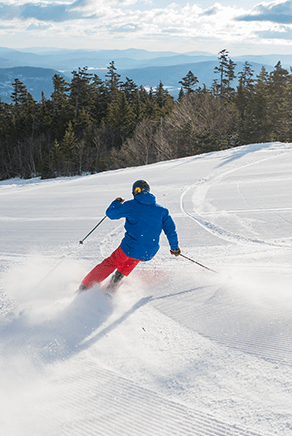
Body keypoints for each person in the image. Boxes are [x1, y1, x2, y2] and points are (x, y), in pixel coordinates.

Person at [78, 180, 180, 292]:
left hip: (131, 247)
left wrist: (116, 203)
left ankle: (85, 287)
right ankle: (112, 286)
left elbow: (110, 214)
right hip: (149, 252)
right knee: (133, 258)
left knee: (111, 262)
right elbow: (171, 230)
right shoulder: (162, 210)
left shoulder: (131, 205)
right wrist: (174, 247)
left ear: (136, 191)